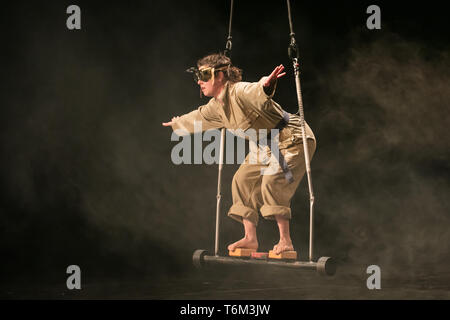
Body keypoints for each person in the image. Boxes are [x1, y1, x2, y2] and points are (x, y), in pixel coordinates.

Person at [162, 53, 316, 255]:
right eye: (197, 76)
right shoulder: (215, 107)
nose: (200, 81)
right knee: (241, 180)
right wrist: (178, 123)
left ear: (220, 76)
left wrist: (267, 84)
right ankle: (250, 239)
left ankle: (285, 241)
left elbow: (257, 89)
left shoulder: (239, 91)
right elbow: (197, 117)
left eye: (205, 75)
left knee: (272, 180)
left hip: (292, 138)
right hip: (265, 146)